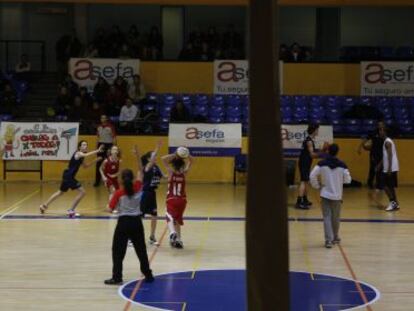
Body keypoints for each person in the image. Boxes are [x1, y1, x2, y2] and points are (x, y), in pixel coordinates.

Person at [104, 146, 154, 285]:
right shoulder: (138, 186)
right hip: (137, 222)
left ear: (121, 179)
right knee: (141, 249)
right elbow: (141, 170)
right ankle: (148, 274)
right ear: (132, 178)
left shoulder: (118, 193)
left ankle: (117, 277)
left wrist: (108, 207)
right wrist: (138, 156)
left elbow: (109, 209)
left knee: (118, 251)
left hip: (123, 223)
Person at [40, 141, 103, 218]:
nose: (85, 146)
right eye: (83, 145)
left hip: (67, 175)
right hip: (69, 176)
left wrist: (95, 160)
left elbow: (85, 166)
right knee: (82, 192)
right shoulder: (78, 153)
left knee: (60, 192)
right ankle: (71, 210)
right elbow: (86, 154)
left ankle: (44, 205)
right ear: (79, 147)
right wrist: (97, 150)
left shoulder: (81, 157)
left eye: (86, 145)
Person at [310, 144, 352, 249]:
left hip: (325, 194)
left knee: (327, 217)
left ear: (328, 151)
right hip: (337, 195)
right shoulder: (342, 165)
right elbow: (348, 180)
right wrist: (339, 181)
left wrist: (317, 185)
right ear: (337, 152)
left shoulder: (321, 164)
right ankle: (335, 237)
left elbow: (312, 175)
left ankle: (328, 240)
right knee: (336, 217)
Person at [161, 151, 193, 249]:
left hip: (171, 199)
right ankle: (178, 240)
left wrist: (176, 154)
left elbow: (163, 159)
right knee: (177, 220)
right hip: (182, 201)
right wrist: (186, 153)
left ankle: (172, 233)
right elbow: (192, 160)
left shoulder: (171, 173)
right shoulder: (184, 173)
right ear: (182, 166)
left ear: (173, 165)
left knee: (168, 216)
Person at [140, 141, 165, 246]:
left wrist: (174, 172)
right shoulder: (147, 167)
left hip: (152, 194)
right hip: (145, 193)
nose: (155, 158)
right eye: (154, 156)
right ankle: (131, 238)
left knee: (154, 215)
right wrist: (157, 148)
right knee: (139, 216)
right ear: (149, 159)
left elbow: (165, 177)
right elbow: (150, 161)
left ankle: (152, 237)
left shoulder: (157, 167)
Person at [296, 124, 320, 209]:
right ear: (314, 130)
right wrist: (322, 153)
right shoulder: (309, 141)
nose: (318, 131)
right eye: (317, 130)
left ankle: (305, 199)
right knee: (303, 181)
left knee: (306, 181)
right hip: (304, 163)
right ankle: (299, 202)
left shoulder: (309, 140)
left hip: (305, 162)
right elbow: (312, 155)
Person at [358, 120, 385, 190]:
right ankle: (370, 183)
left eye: (381, 124)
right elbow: (365, 139)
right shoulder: (373, 132)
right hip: (373, 153)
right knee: (372, 169)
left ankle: (379, 185)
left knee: (380, 169)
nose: (380, 126)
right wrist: (360, 147)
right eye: (379, 124)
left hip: (381, 154)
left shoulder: (385, 134)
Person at [379, 126, 400, 211]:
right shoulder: (387, 141)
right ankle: (396, 203)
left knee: (383, 185)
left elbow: (390, 155)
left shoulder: (387, 142)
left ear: (385, 132)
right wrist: (380, 165)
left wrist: (389, 169)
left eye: (381, 130)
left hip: (390, 168)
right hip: (391, 167)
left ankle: (392, 202)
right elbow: (385, 156)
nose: (379, 132)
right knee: (391, 187)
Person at [95, 115, 117, 187]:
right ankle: (97, 181)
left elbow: (114, 137)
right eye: (101, 118)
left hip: (109, 145)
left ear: (106, 119)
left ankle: (110, 181)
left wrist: (114, 147)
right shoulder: (99, 127)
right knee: (98, 163)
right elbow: (98, 138)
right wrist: (96, 148)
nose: (102, 119)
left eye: (104, 118)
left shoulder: (110, 127)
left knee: (109, 163)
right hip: (101, 145)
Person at [100, 145, 121, 211]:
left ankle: (114, 206)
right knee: (113, 191)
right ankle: (111, 207)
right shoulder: (106, 160)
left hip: (115, 179)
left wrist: (115, 175)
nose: (115, 151)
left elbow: (120, 171)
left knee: (117, 193)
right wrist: (103, 177)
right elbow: (100, 169)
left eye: (116, 150)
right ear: (111, 151)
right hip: (107, 178)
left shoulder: (119, 160)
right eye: (113, 149)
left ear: (117, 152)